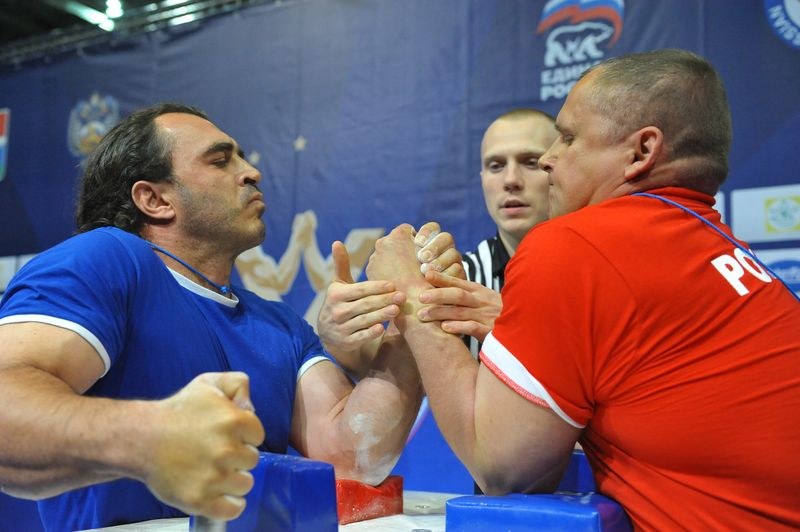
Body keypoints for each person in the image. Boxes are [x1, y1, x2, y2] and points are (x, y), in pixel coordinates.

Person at [366, 49, 800, 529]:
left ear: (641, 152)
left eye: (568, 138)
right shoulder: (724, 247)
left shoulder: (572, 245)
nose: (549, 161)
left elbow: (504, 470)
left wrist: (408, 296)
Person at [0, 103, 456, 532]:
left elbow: (353, 456)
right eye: (221, 161)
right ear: (155, 199)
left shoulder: (280, 325)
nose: (252, 172)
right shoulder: (105, 259)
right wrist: (149, 438)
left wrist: (411, 313)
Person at [319, 109, 558, 372]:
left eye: (530, 161)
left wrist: (517, 328)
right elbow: (390, 367)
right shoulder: (458, 280)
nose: (511, 180)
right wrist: (342, 337)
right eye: (496, 166)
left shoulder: (599, 267)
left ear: (558, 167)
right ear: (482, 179)